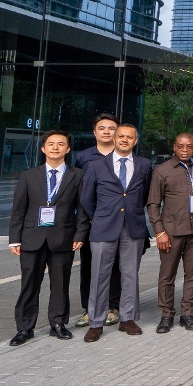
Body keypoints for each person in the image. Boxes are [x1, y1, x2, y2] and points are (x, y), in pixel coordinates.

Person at [8, 130, 84, 345]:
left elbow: (83, 208)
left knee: (60, 283)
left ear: (68, 149)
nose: (55, 147)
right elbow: (18, 209)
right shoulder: (29, 175)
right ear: (43, 148)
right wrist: (15, 238)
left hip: (63, 237)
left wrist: (80, 234)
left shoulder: (78, 175)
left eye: (60, 144)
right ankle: (25, 328)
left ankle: (58, 323)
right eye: (51, 144)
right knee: (29, 284)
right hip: (32, 237)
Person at [79, 123, 152, 342]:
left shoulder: (144, 165)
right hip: (103, 227)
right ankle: (96, 322)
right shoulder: (96, 165)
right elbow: (86, 198)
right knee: (99, 275)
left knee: (130, 274)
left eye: (129, 137)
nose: (124, 140)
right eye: (121, 136)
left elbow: (145, 195)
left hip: (133, 227)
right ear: (114, 138)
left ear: (135, 141)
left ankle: (127, 318)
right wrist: (99, 217)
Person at [146, 132, 193, 334]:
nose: (184, 150)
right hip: (170, 233)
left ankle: (187, 313)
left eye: (189, 146)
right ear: (174, 147)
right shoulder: (162, 170)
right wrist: (159, 232)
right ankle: (166, 314)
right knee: (167, 276)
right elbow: (153, 204)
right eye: (180, 146)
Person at [72, 112, 121, 328]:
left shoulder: (124, 155)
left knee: (116, 265)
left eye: (111, 128)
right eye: (102, 128)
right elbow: (80, 191)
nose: (106, 132)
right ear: (94, 132)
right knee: (89, 266)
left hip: (117, 220)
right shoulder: (84, 157)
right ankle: (88, 308)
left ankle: (112, 306)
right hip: (91, 222)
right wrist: (90, 218)